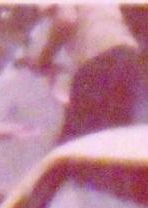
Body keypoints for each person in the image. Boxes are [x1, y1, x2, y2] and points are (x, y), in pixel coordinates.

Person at [24, 3, 141, 141]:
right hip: (127, 54)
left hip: (97, 59)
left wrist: (44, 59)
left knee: (75, 140)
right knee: (115, 136)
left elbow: (65, 20)